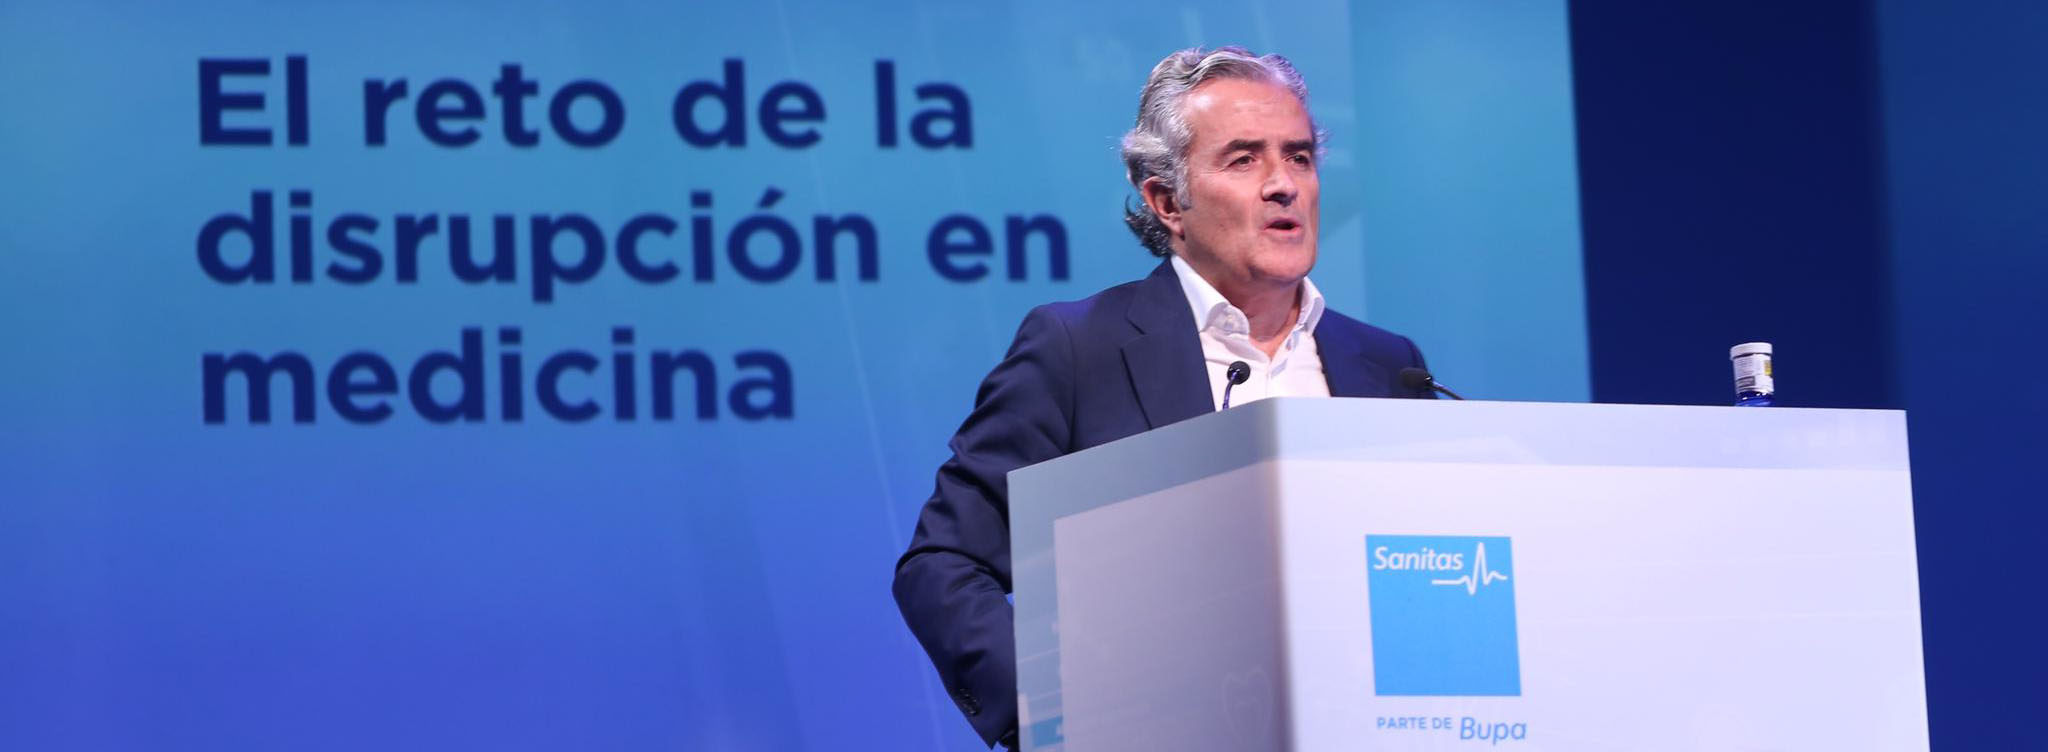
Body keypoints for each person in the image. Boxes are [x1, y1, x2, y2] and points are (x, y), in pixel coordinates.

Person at [891, 46, 1434, 749]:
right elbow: (944, 562)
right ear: (1167, 201)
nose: (1284, 185)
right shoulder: (1078, 350)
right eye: (1244, 160)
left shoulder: (1389, 368)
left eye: (1298, 157)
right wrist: (1055, 719)